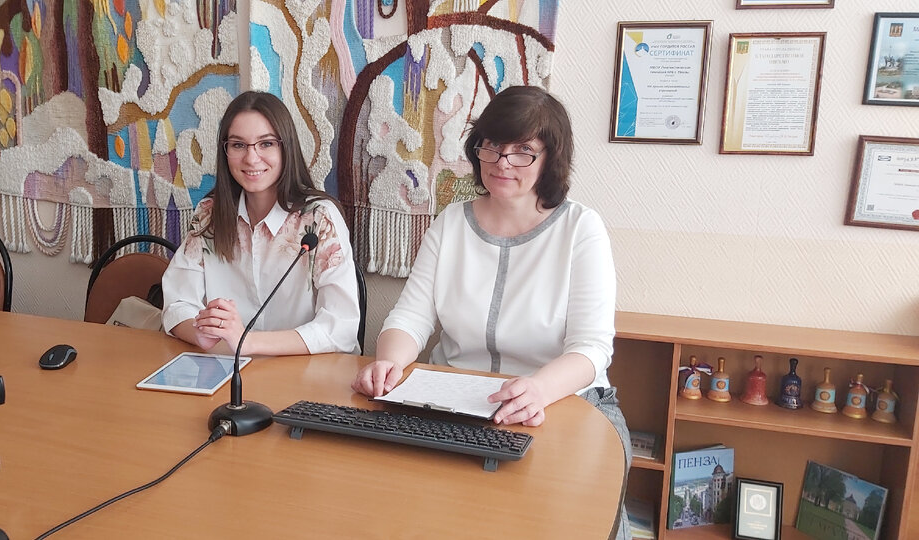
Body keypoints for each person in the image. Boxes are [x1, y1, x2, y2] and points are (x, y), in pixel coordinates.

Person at [350, 85, 631, 539]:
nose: (502, 162)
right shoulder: (450, 223)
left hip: (562, 403)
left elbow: (592, 348)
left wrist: (539, 389)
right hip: (455, 400)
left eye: (523, 151)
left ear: (550, 158)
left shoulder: (581, 228)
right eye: (492, 146)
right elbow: (409, 318)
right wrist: (390, 362)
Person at [161, 91, 360, 356]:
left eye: (266, 144)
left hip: (308, 370)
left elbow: (341, 328)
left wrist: (247, 342)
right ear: (225, 151)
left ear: (286, 147)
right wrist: (199, 332)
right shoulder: (209, 214)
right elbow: (176, 304)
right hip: (228, 366)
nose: (251, 158)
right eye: (238, 145)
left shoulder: (318, 218)